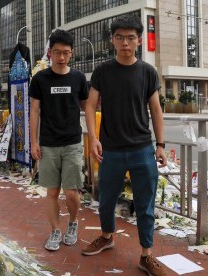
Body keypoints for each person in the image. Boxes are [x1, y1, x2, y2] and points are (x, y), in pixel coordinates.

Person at [82, 15, 168, 275]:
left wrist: (161, 144)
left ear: (139, 41)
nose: (125, 42)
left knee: (145, 204)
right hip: (111, 150)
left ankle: (146, 255)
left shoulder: (147, 72)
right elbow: (89, 105)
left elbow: (156, 110)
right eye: (120, 37)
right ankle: (107, 236)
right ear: (112, 40)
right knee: (106, 200)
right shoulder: (102, 71)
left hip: (142, 148)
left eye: (131, 37)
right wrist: (93, 138)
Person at [29, 29, 88, 251]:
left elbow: (86, 106)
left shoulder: (79, 78)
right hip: (48, 143)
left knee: (72, 191)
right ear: (49, 52)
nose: (61, 57)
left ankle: (72, 223)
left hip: (72, 142)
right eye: (56, 52)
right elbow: (34, 111)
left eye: (65, 53)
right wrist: (34, 142)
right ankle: (55, 230)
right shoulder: (40, 79)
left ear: (71, 53)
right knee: (52, 192)